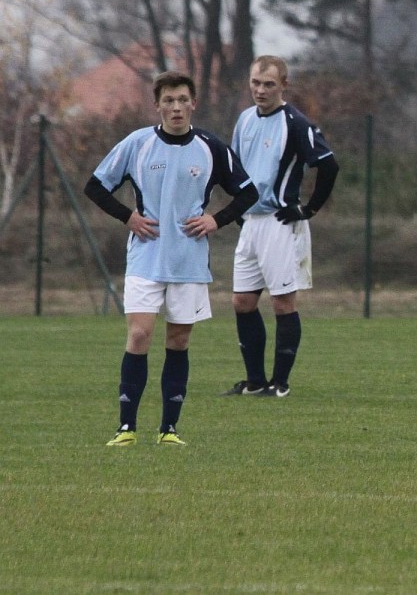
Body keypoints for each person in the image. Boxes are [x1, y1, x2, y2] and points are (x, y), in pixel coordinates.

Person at [85, 70, 258, 446]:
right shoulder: (138, 143)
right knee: (140, 334)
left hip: (189, 262)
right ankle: (126, 427)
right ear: (157, 105)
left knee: (178, 340)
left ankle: (168, 429)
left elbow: (248, 193)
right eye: (169, 101)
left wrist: (217, 219)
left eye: (182, 100)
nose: (176, 107)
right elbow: (95, 186)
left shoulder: (211, 147)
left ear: (193, 103)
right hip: (146, 258)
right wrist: (128, 216)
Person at [222, 55, 339, 398]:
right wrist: (238, 209)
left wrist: (310, 209)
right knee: (242, 301)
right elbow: (236, 170)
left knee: (283, 303)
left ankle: (280, 383)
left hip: (279, 222)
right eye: (256, 83)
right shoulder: (245, 120)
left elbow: (329, 165)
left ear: (284, 85)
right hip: (251, 224)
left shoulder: (296, 123)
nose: (261, 90)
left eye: (269, 84)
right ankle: (255, 382)